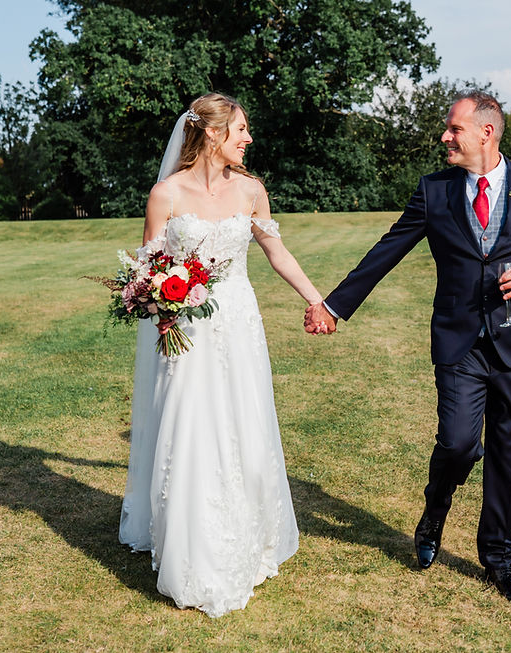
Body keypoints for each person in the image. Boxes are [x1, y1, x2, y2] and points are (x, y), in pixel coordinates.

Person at [304, 91, 511, 605]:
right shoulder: (435, 191)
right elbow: (387, 249)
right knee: (457, 443)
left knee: (508, 452)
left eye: (454, 129)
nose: (446, 137)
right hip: (458, 342)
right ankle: (435, 510)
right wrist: (334, 306)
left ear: (486, 133)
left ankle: (499, 559)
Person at [119, 93, 325, 617]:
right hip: (186, 332)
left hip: (238, 326)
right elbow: (145, 270)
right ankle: (193, 549)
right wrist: (156, 296)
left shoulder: (252, 191)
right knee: (191, 427)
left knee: (243, 425)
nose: (248, 139)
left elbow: (276, 252)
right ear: (212, 133)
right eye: (240, 130)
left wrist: (317, 299)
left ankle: (248, 535)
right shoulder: (166, 194)